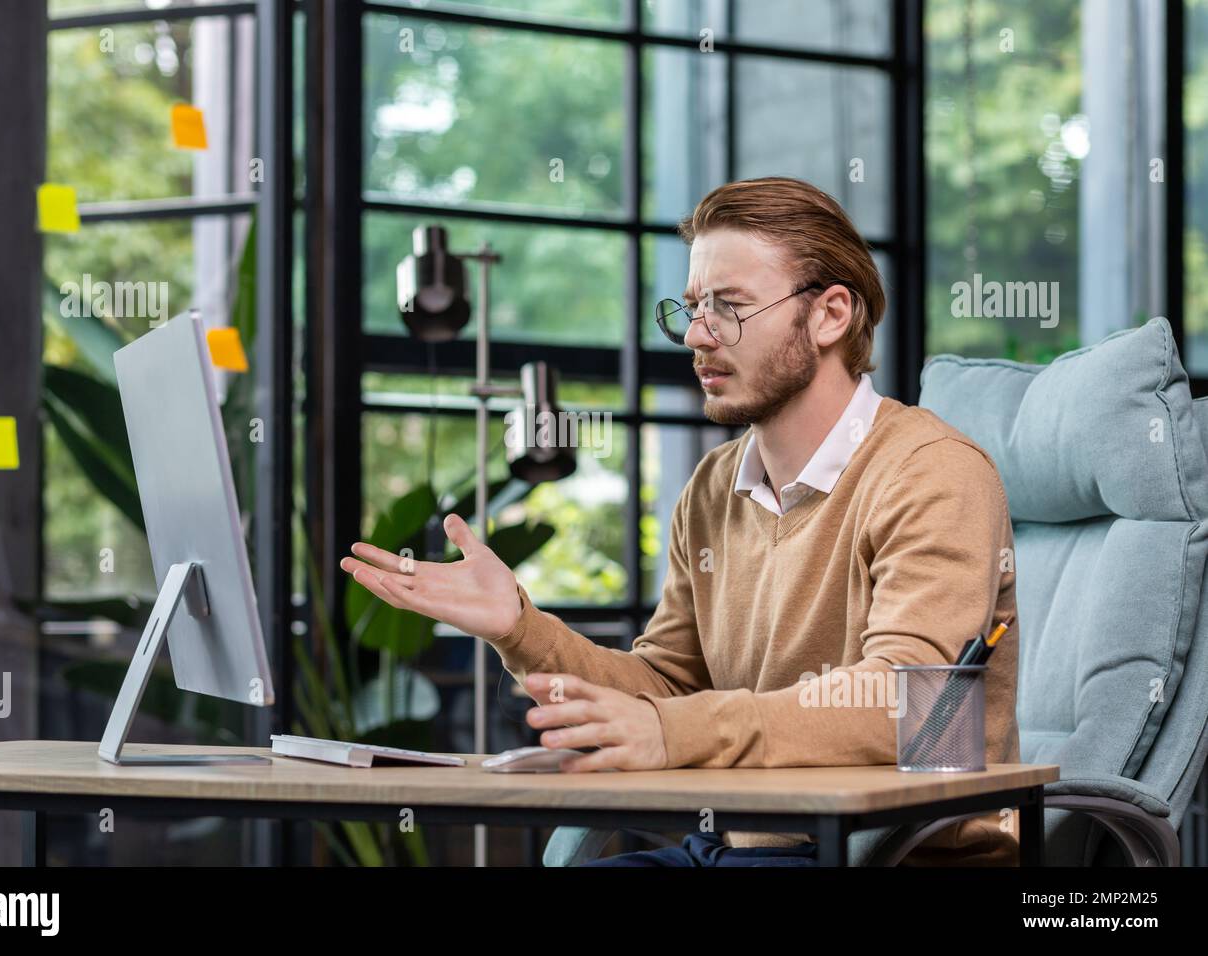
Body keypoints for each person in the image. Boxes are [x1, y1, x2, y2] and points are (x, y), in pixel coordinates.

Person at [341, 176, 1020, 866]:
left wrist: (675, 729)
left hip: (892, 858)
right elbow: (666, 686)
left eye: (729, 308)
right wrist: (521, 628)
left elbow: (912, 705)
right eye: (693, 308)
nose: (697, 336)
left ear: (830, 315)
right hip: (732, 849)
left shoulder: (932, 472)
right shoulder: (714, 488)